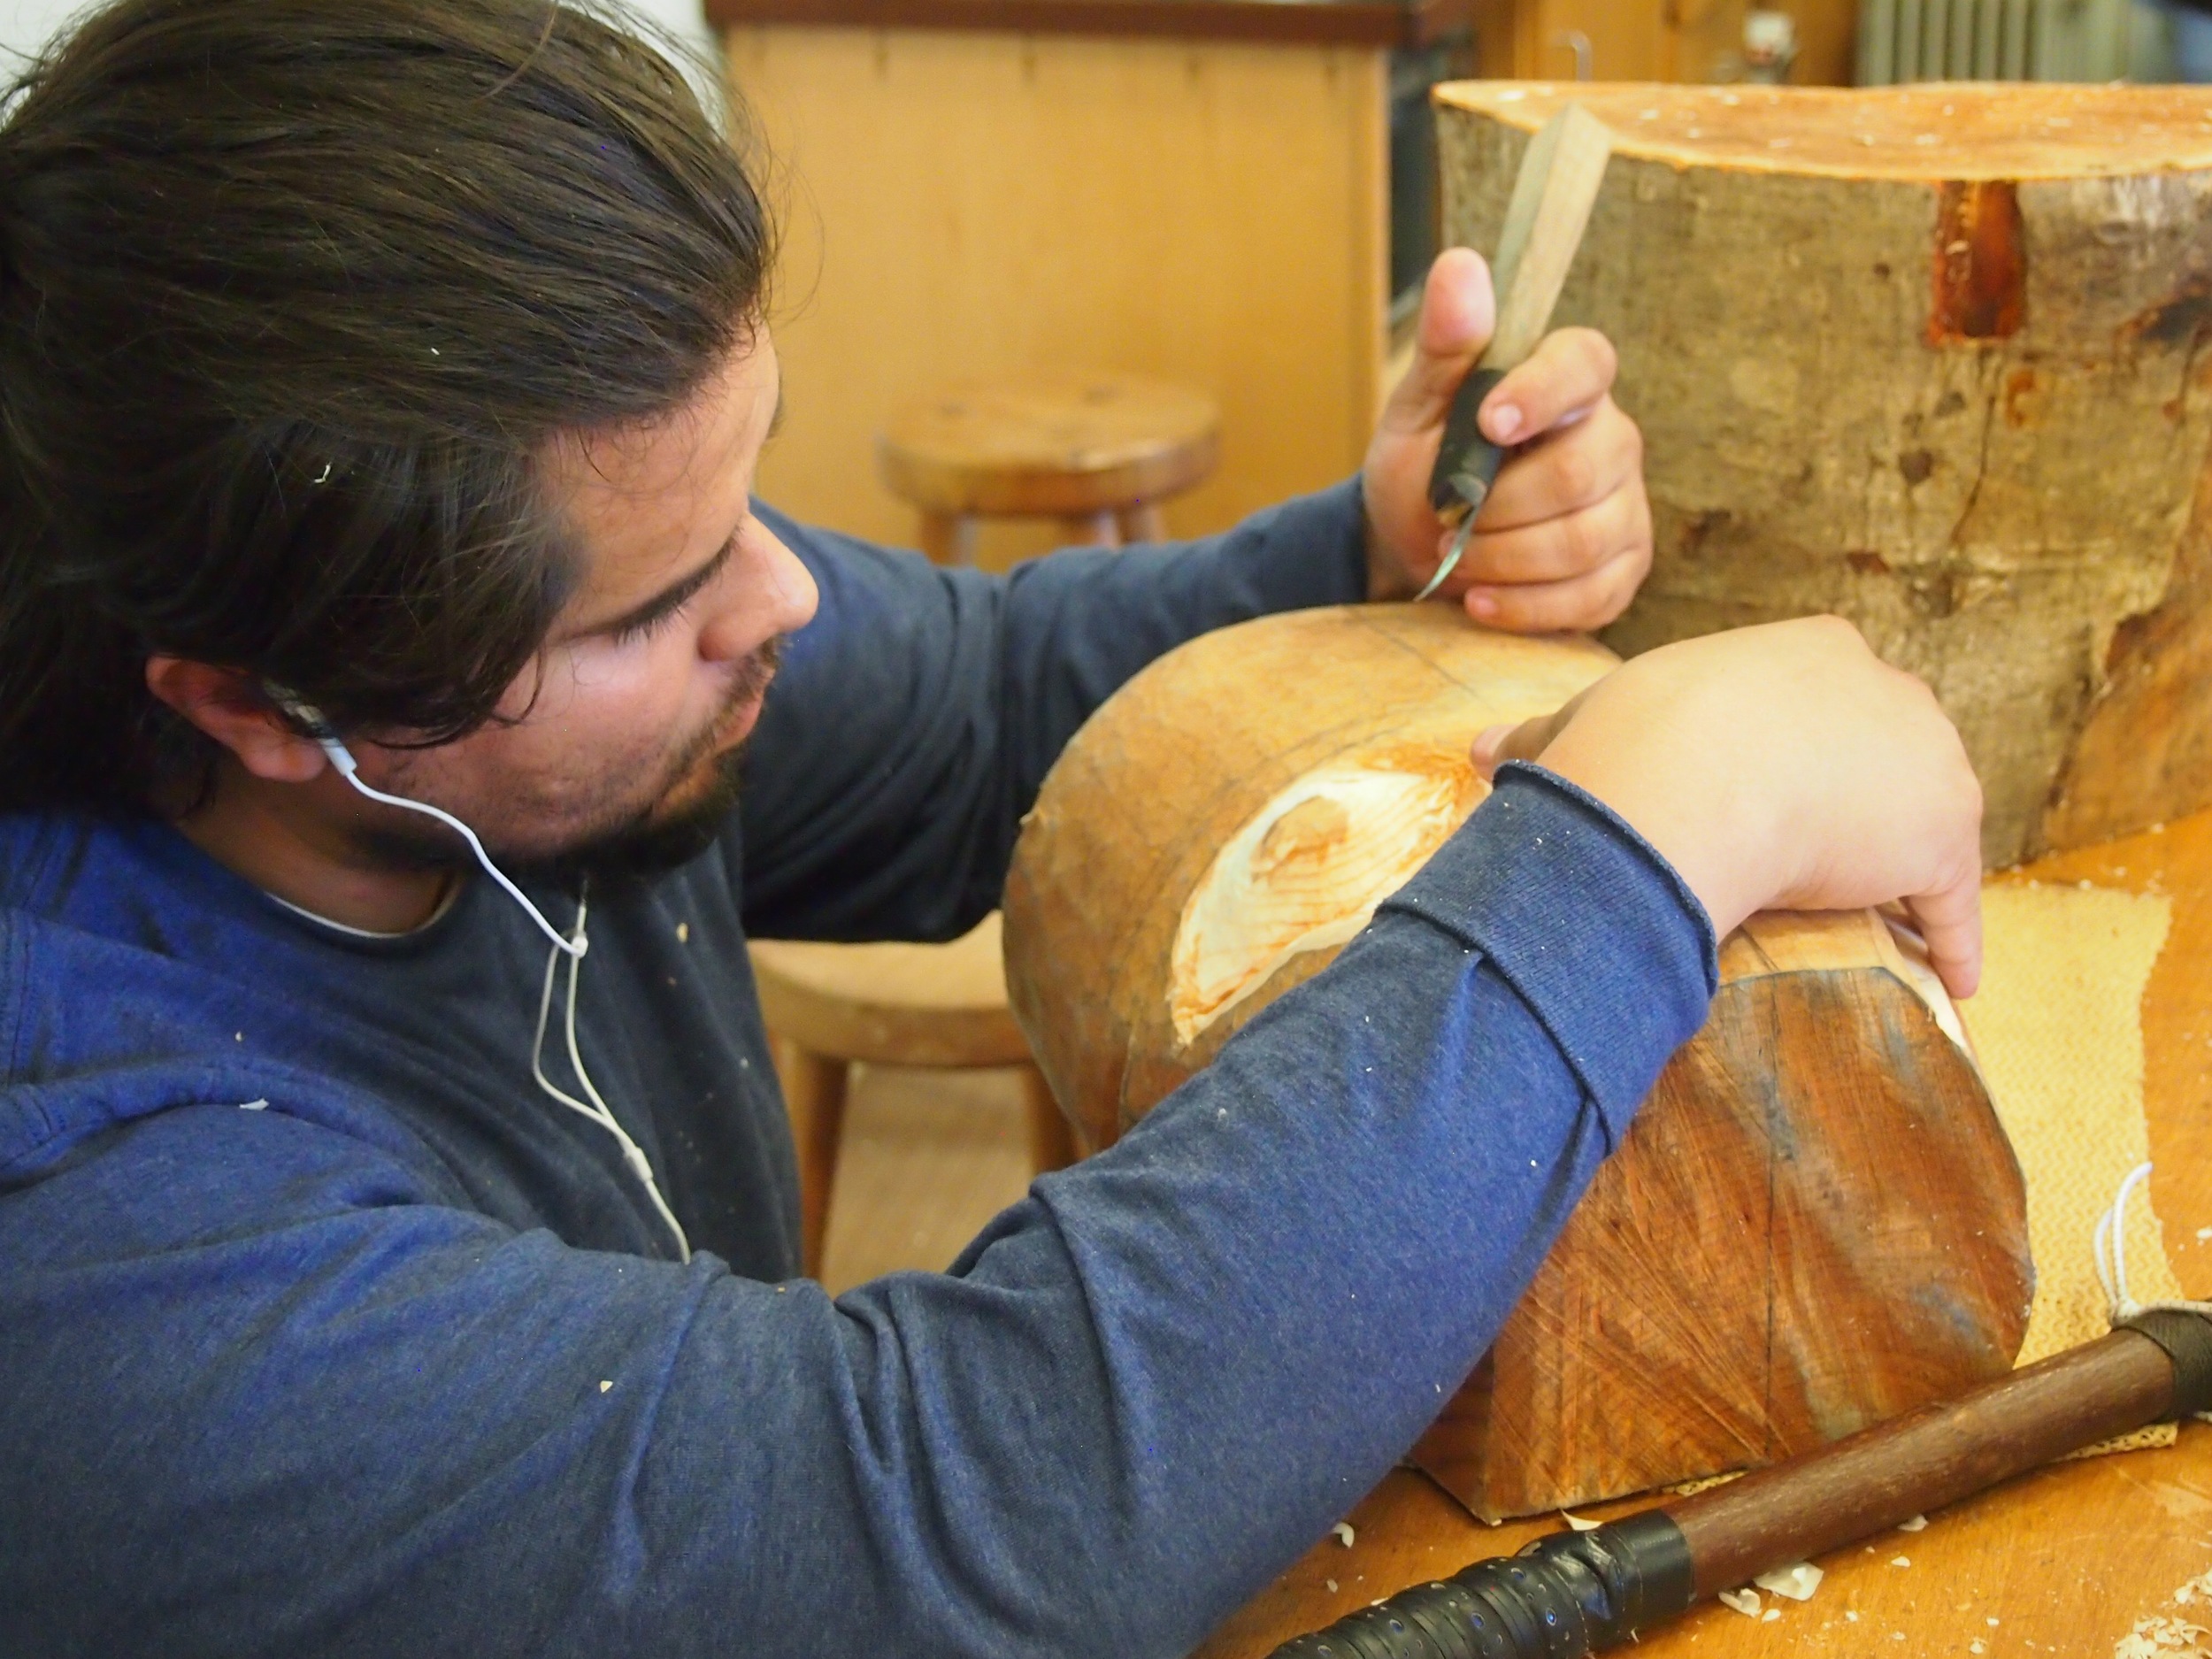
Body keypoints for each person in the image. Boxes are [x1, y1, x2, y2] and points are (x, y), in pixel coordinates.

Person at [0, 2, 1984, 1653]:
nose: (776, 600)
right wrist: (1647, 832)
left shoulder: (491, 682)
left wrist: (1372, 548)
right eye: (641, 603)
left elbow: (983, 708)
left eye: (743, 499)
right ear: (264, 707)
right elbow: (964, 1509)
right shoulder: (104, 1249)